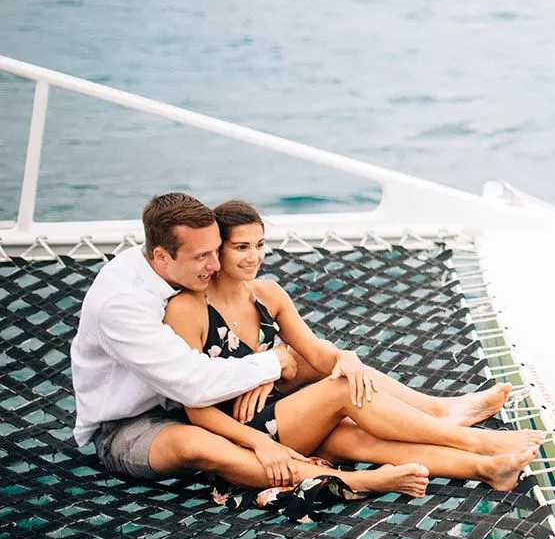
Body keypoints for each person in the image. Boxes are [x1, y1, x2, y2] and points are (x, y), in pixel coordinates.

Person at [162, 199, 541, 491]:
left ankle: (486, 469)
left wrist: (347, 357)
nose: (254, 257)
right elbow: (196, 407)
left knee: (356, 434)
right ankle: (473, 440)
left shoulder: (266, 293)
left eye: (259, 244)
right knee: (343, 388)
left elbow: (314, 353)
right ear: (218, 251)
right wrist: (262, 444)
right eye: (241, 247)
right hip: (241, 435)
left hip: (285, 414)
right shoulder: (187, 310)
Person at [72, 192, 433, 498]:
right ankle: (353, 481)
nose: (215, 265)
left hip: (193, 401)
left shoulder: (176, 265)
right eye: (202, 257)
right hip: (132, 423)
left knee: (315, 361)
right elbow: (193, 385)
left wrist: (304, 358)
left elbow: (286, 352)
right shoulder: (122, 305)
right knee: (198, 445)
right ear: (161, 256)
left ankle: (434, 410)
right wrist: (272, 369)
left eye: (216, 251)